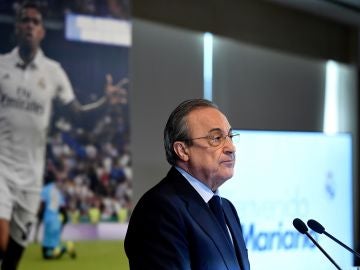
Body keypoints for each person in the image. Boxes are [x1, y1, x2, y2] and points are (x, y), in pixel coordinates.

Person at [0, 2, 126, 269]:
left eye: (35, 22)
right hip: (1, 167)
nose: (30, 26)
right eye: (25, 20)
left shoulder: (53, 72)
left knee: (12, 257)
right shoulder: (1, 67)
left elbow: (79, 117)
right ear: (17, 27)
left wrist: (105, 102)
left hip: (31, 177)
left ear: (43, 31)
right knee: (0, 242)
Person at [124, 99, 250, 270]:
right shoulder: (159, 209)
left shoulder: (227, 209)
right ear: (182, 150)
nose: (231, 147)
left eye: (230, 136)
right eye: (216, 138)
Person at [37, 167, 76, 260]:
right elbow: (63, 208)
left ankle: (63, 249)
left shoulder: (45, 190)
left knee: (46, 254)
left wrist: (39, 215)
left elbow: (42, 204)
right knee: (51, 245)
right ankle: (64, 248)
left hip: (49, 219)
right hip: (57, 220)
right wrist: (65, 219)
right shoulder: (58, 191)